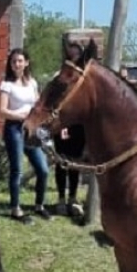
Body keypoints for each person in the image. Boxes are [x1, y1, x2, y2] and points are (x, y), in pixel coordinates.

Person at [0, 48, 49, 223]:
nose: (17, 64)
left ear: (26, 62)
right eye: (13, 61)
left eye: (20, 61)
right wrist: (20, 116)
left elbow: (38, 105)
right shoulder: (7, 85)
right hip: (14, 129)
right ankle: (15, 208)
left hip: (32, 129)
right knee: (17, 170)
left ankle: (39, 205)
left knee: (43, 169)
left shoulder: (33, 83)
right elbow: (2, 111)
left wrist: (40, 120)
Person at [55, 43, 86, 219]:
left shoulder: (83, 79)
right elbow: (59, 105)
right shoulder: (61, 77)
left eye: (76, 57)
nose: (73, 59)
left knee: (75, 163)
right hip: (63, 125)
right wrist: (63, 126)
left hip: (78, 127)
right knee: (61, 162)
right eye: (70, 56)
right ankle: (60, 198)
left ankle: (73, 198)